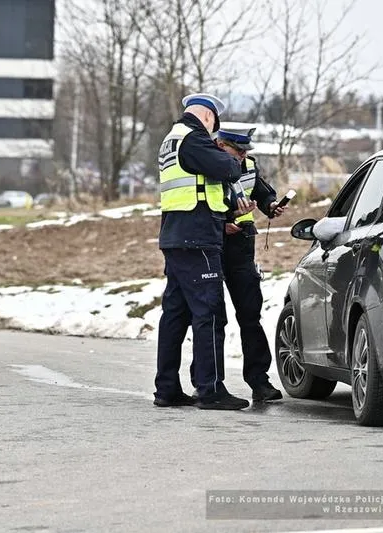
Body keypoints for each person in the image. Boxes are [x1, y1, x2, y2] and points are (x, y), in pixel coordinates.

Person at [154, 93, 254, 411]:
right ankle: (210, 389)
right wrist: (226, 160)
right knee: (209, 314)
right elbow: (229, 167)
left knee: (175, 314)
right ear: (209, 118)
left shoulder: (172, 139)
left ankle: (167, 388)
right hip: (198, 237)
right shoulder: (194, 139)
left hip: (176, 236)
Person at [210, 124, 286, 402]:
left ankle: (259, 380)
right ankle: (209, 383)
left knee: (250, 315)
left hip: (242, 246)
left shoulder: (249, 164)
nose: (242, 155)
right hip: (214, 243)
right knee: (213, 316)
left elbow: (262, 192)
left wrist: (271, 206)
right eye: (237, 150)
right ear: (221, 145)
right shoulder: (206, 162)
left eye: (245, 150)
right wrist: (223, 222)